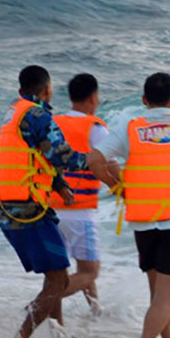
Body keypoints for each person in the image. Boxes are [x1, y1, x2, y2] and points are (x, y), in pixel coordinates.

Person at [89, 72, 170, 338]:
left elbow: (94, 159)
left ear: (144, 100)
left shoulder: (129, 128)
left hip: (144, 221)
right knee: (164, 298)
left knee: (158, 295)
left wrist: (116, 185)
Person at [0, 65, 100, 338]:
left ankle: (59, 336)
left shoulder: (14, 112)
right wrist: (93, 161)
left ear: (20, 90)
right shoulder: (38, 114)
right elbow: (59, 153)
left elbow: (33, 157)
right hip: (27, 209)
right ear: (48, 89)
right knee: (58, 279)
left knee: (56, 275)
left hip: (8, 206)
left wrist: (58, 184)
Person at [48, 73, 109, 315]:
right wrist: (121, 187)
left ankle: (95, 311)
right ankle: (40, 304)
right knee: (89, 271)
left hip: (50, 209)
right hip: (79, 210)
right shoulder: (94, 127)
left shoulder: (53, 123)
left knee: (63, 270)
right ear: (93, 98)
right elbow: (109, 164)